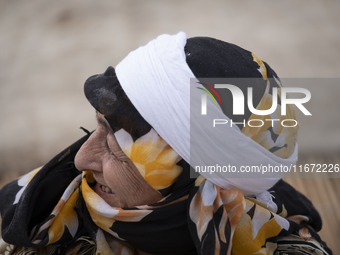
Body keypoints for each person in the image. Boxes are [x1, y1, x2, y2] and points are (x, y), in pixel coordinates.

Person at [0, 32, 332, 255]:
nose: (82, 159)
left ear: (196, 183)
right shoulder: (40, 213)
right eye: (97, 128)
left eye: (117, 152)